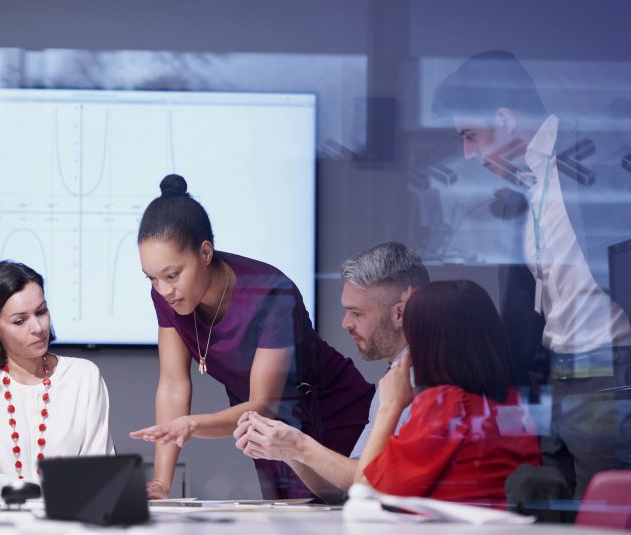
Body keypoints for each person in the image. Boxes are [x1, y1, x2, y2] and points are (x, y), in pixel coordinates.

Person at [431, 50, 631, 498]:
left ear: (503, 118)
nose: (468, 153)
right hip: (555, 387)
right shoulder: (524, 188)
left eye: (470, 136)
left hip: (618, 381)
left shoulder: (604, 145)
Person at [129, 174, 374, 500]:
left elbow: (263, 404)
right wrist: (162, 481)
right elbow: (173, 385)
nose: (163, 290)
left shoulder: (269, 291)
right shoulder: (166, 295)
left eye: (172, 275)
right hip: (266, 429)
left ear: (205, 252)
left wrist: (190, 425)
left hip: (330, 412)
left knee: (347, 519)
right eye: (152, 278)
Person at [233, 241, 429, 503]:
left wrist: (299, 445)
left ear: (399, 314)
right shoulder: (393, 382)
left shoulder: (421, 383)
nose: (345, 322)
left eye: (356, 312)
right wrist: (288, 450)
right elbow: (347, 488)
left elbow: (366, 484)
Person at [353, 280, 540, 505]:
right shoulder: (512, 404)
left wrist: (389, 407)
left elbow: (363, 494)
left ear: (425, 345)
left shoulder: (446, 406)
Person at [0, 261, 114, 495]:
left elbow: (99, 470)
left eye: (41, 312)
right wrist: (28, 490)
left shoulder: (83, 377)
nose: (38, 327)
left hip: (69, 522)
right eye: (19, 321)